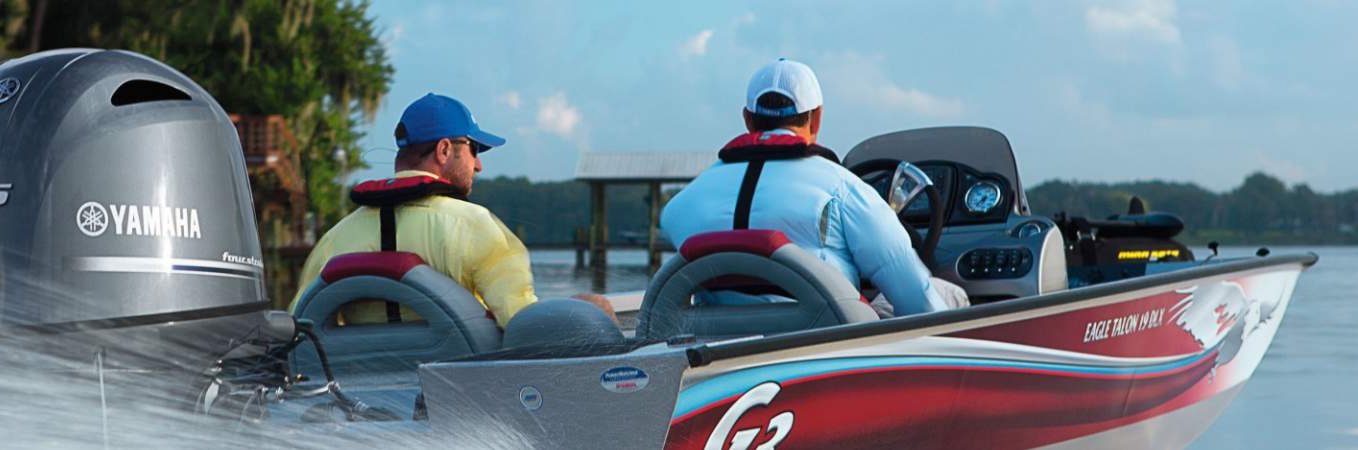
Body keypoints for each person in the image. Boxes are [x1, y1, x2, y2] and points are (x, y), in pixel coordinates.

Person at [661, 58, 968, 317]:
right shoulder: (843, 188)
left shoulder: (682, 206)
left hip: (719, 345)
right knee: (949, 295)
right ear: (817, 117)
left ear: (747, 119)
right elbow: (916, 297)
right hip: (822, 343)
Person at [290, 93, 613, 327]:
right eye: (474, 149)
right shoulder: (475, 226)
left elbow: (300, 327)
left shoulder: (335, 239)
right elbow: (522, 324)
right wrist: (585, 312)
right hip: (461, 395)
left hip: (362, 399)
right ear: (445, 149)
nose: (480, 165)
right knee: (595, 305)